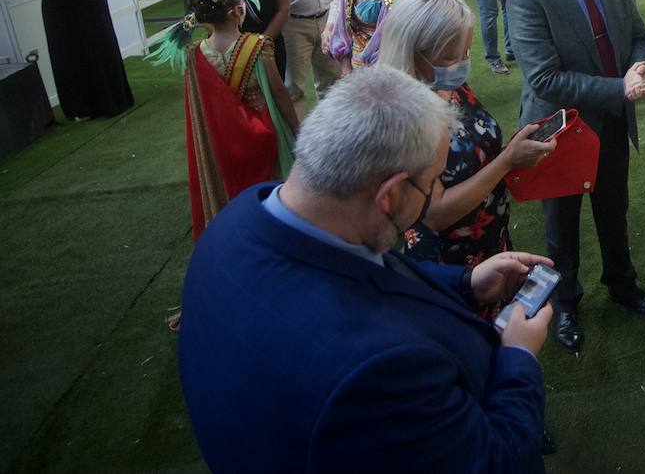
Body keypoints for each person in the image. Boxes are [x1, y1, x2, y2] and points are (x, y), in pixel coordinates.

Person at [178, 66, 555, 471]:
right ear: (389, 194)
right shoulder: (378, 373)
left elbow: (363, 270)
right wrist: (517, 358)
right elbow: (497, 462)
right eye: (431, 185)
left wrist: (465, 282)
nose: (431, 198)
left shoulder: (239, 222)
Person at [508, 0, 645, 352]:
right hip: (557, 130)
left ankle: (622, 285)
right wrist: (620, 87)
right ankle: (565, 304)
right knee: (561, 226)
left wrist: (637, 68)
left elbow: (639, 36)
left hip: (612, 122)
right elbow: (545, 78)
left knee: (613, 209)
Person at [376, 0, 554, 270]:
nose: (462, 64)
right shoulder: (407, 115)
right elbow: (435, 214)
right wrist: (507, 161)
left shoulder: (451, 85)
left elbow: (477, 144)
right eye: (450, 57)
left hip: (489, 238)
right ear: (412, 52)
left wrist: (514, 151)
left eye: (466, 52)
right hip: (448, 260)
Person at [150, 0, 299, 240]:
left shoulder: (194, 54)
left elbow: (199, 107)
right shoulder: (257, 45)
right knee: (271, 186)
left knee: (234, 187)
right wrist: (296, 126)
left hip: (221, 138)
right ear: (237, 11)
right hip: (264, 128)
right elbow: (279, 91)